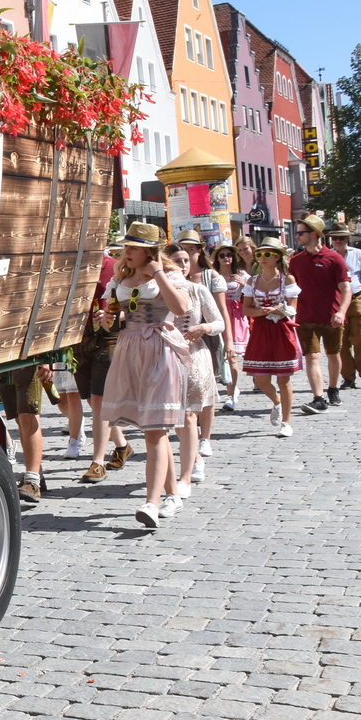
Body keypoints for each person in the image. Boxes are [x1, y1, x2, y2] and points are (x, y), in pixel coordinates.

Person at [95, 223, 191, 529]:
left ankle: (151, 503)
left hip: (160, 351)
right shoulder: (120, 279)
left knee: (155, 429)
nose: (127, 252)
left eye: (133, 247)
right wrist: (108, 318)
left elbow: (181, 308)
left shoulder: (170, 276)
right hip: (130, 352)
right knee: (153, 428)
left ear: (149, 251)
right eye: (126, 247)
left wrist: (159, 273)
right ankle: (172, 494)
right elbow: (110, 325)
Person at [167, 243, 224, 495]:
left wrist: (203, 328)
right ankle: (195, 460)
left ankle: (185, 475)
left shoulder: (198, 290)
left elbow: (219, 321)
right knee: (176, 416)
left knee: (189, 413)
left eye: (185, 261)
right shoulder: (156, 290)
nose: (182, 265)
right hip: (165, 353)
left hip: (194, 354)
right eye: (177, 261)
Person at [78, 246, 133, 483]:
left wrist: (116, 315)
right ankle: (122, 446)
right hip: (81, 337)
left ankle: (97, 462)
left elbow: (133, 303)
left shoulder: (115, 267)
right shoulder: (75, 264)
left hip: (110, 335)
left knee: (100, 398)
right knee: (92, 400)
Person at [289, 215, 351, 416]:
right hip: (306, 318)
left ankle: (333, 389)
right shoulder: (296, 261)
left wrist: (341, 311)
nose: (297, 236)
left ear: (313, 235)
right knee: (312, 357)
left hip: (332, 316)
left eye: (301, 233)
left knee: (333, 354)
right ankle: (318, 398)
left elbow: (346, 289)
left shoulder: (334, 258)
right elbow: (291, 289)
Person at [176, 231, 229, 460]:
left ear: (199, 250)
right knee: (182, 404)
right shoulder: (160, 288)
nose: (184, 261)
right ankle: (191, 445)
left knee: (205, 395)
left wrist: (209, 331)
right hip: (172, 350)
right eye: (180, 254)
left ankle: (204, 438)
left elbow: (221, 316)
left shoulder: (208, 279)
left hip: (202, 344)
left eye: (190, 252)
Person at [243, 238, 303, 437]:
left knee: (283, 378)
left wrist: (278, 310)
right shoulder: (252, 281)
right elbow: (246, 308)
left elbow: (293, 308)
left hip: (281, 329)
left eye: (267, 254)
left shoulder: (288, 279)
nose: (262, 258)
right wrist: (262, 312)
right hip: (261, 328)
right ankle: (277, 402)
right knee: (260, 379)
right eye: (259, 254)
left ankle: (286, 422)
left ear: (277, 256)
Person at [329, 224, 361, 390]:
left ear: (347, 239)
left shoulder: (357, 254)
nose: (338, 241)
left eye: (341, 238)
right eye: (335, 238)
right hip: (335, 301)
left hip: (356, 298)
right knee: (340, 342)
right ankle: (348, 377)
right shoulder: (327, 256)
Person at [0, 365, 47, 505]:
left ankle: (32, 480)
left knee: (28, 414)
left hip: (30, 359)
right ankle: (37, 473)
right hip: (5, 360)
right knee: (20, 417)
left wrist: (47, 360)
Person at [212, 244, 250, 410]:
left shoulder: (241, 274)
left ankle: (232, 393)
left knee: (232, 356)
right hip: (217, 315)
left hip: (236, 317)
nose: (226, 258)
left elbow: (254, 292)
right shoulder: (214, 275)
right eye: (222, 255)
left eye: (229, 255)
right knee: (216, 357)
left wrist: (244, 284)